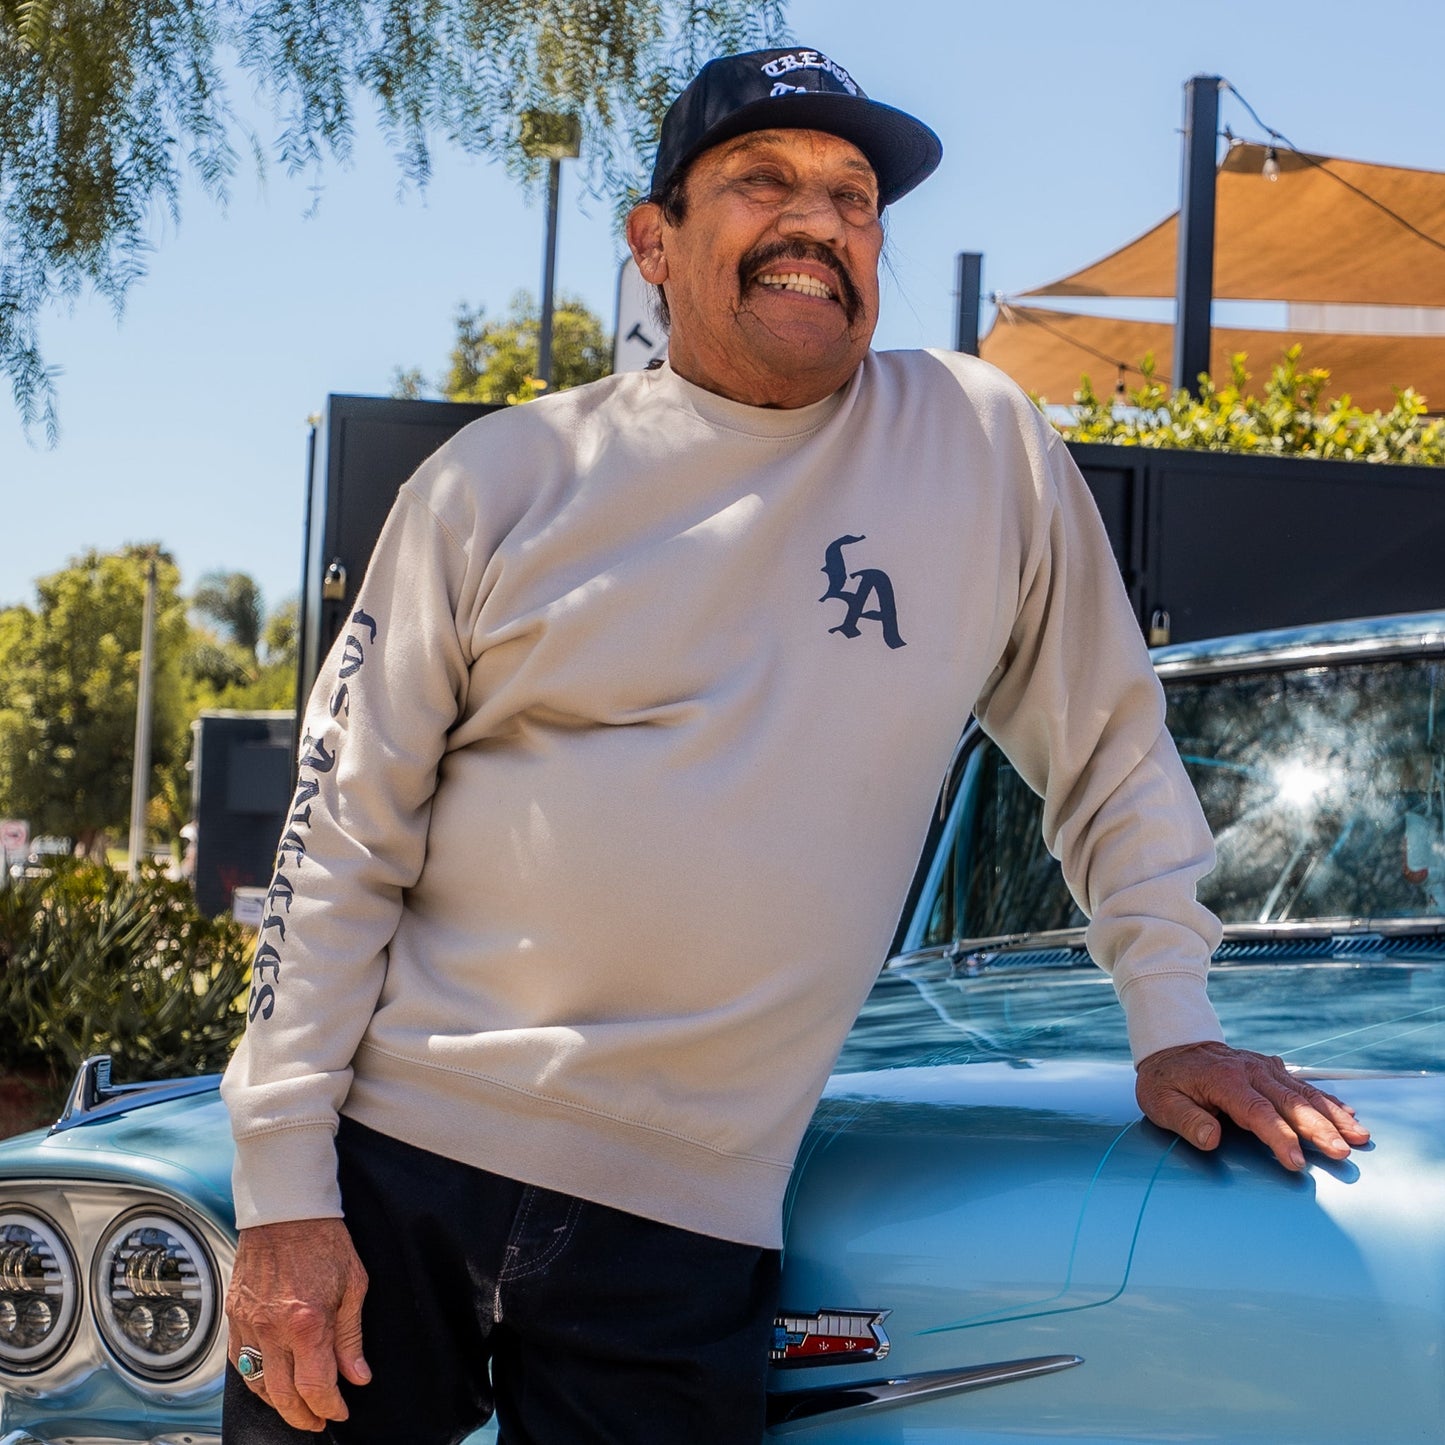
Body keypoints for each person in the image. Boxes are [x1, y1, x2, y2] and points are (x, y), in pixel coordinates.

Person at [220, 45, 1369, 1444]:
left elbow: (1110, 750)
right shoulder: (502, 479)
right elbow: (338, 833)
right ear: (655, 242)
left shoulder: (975, 446)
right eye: (762, 180)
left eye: (854, 195)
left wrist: (1172, 1020)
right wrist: (283, 1184)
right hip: (394, 1159)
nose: (820, 222)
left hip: (682, 1213)